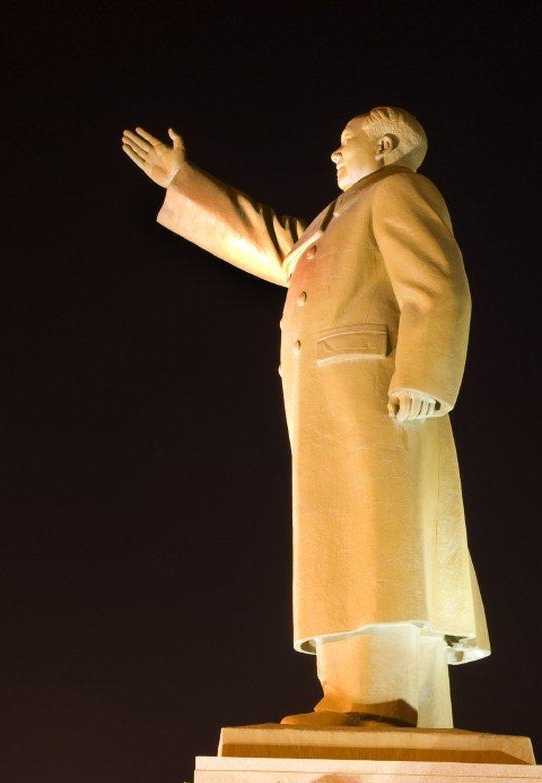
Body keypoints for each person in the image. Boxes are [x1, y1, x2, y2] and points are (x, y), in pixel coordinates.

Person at [121, 108, 483, 729]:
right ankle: (349, 696)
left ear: (387, 145)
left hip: (377, 391)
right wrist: (182, 179)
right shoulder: (333, 220)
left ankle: (385, 696)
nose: (335, 155)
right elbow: (273, 245)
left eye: (348, 144)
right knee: (341, 541)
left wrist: (425, 373)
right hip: (329, 400)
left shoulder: (400, 191)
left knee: (379, 532)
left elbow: (440, 285)